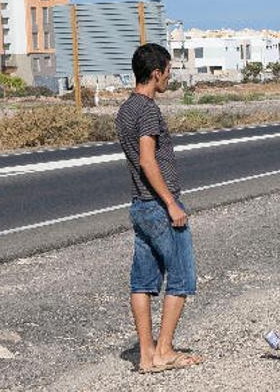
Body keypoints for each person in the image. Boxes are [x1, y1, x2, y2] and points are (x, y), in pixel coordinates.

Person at [115, 43, 202, 373]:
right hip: (158, 207)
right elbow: (148, 160)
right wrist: (171, 204)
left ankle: (146, 355)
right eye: (168, 71)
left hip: (139, 205)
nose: (169, 77)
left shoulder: (125, 109)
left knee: (143, 281)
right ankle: (163, 351)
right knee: (180, 278)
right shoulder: (148, 110)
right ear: (155, 73)